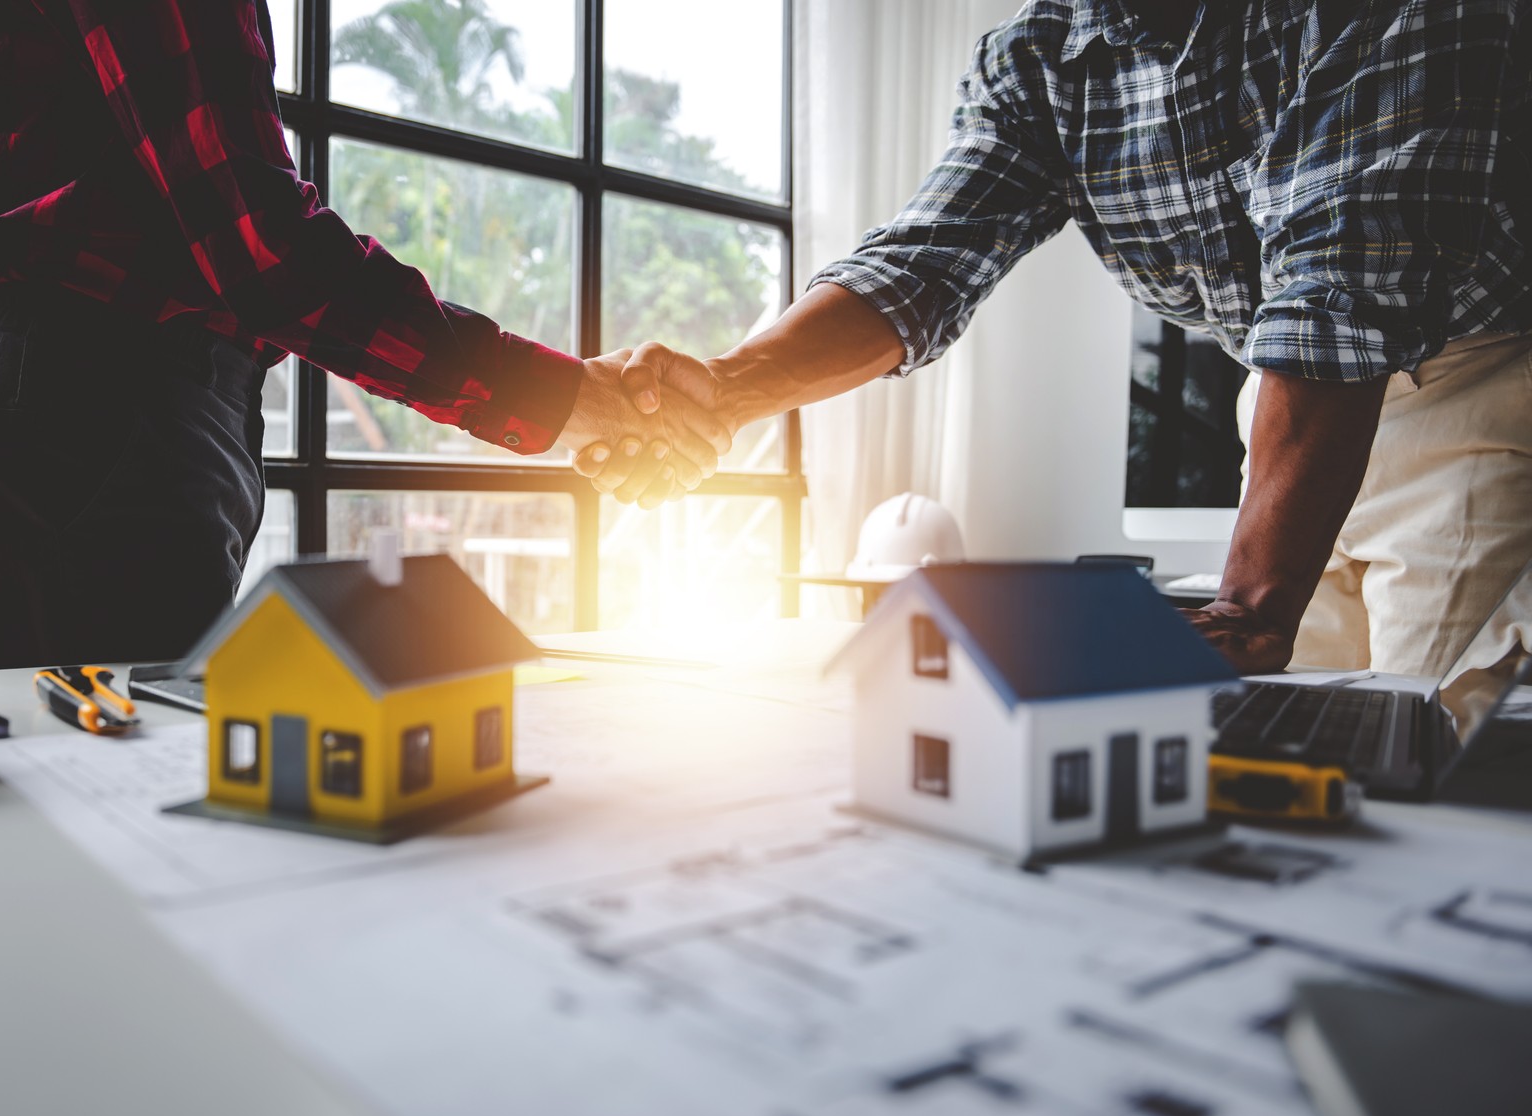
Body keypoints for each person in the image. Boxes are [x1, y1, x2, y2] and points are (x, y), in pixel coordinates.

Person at [585, 0, 1531, 677]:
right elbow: (923, 264)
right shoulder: (1039, 58)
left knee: (1416, 745)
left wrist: (1245, 609)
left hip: (1468, 387)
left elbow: (1338, 290)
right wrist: (731, 387)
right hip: (1278, 406)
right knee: (1251, 743)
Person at [0, 0, 728, 669]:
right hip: (97, 419)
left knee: (60, 799)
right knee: (123, 804)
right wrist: (561, 395)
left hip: (26, 402)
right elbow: (258, 243)